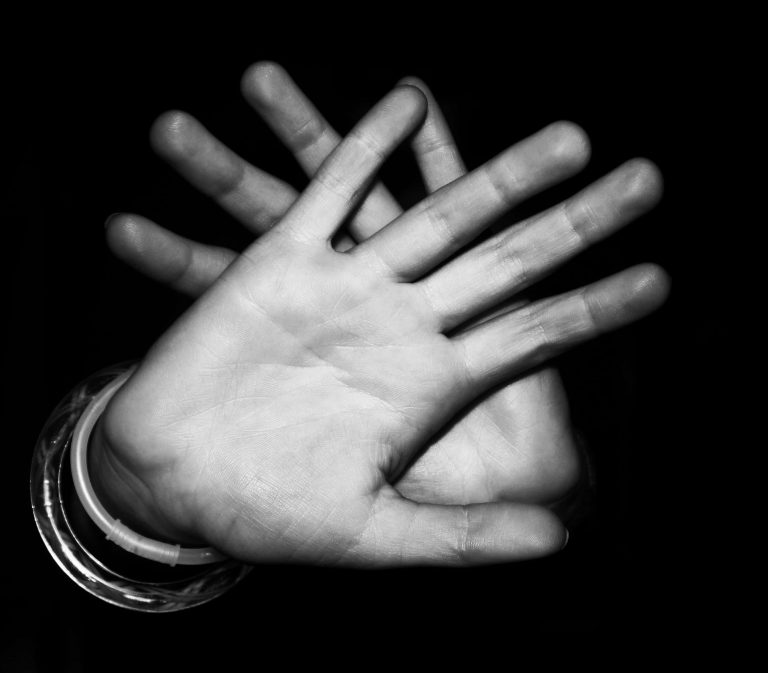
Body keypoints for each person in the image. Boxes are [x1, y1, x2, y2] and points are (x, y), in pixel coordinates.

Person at [31, 62, 669, 611]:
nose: (399, 322)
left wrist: (561, 499)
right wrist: (125, 491)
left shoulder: (574, 414)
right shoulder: (102, 308)